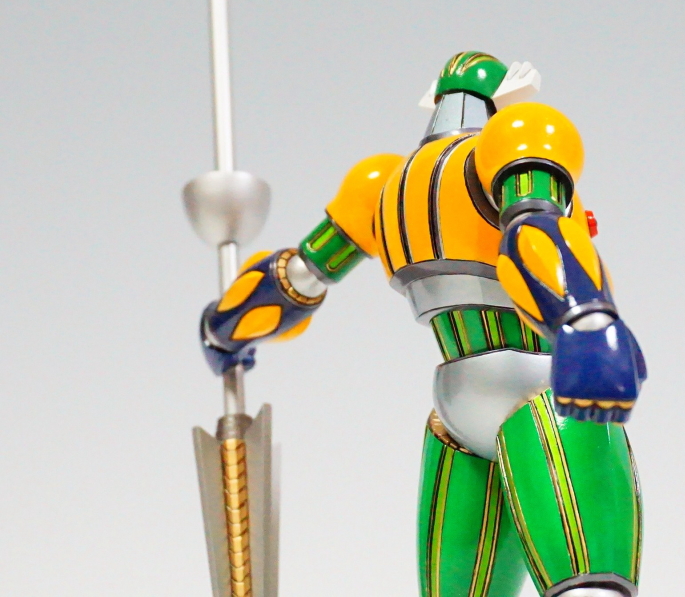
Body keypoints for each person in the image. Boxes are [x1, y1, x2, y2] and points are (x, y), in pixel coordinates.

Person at [200, 51, 647, 597]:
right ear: (502, 98)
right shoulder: (515, 139)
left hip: (458, 412)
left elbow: (298, 277)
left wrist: (225, 327)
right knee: (587, 585)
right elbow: (536, 232)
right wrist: (586, 319)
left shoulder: (384, 187)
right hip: (542, 396)